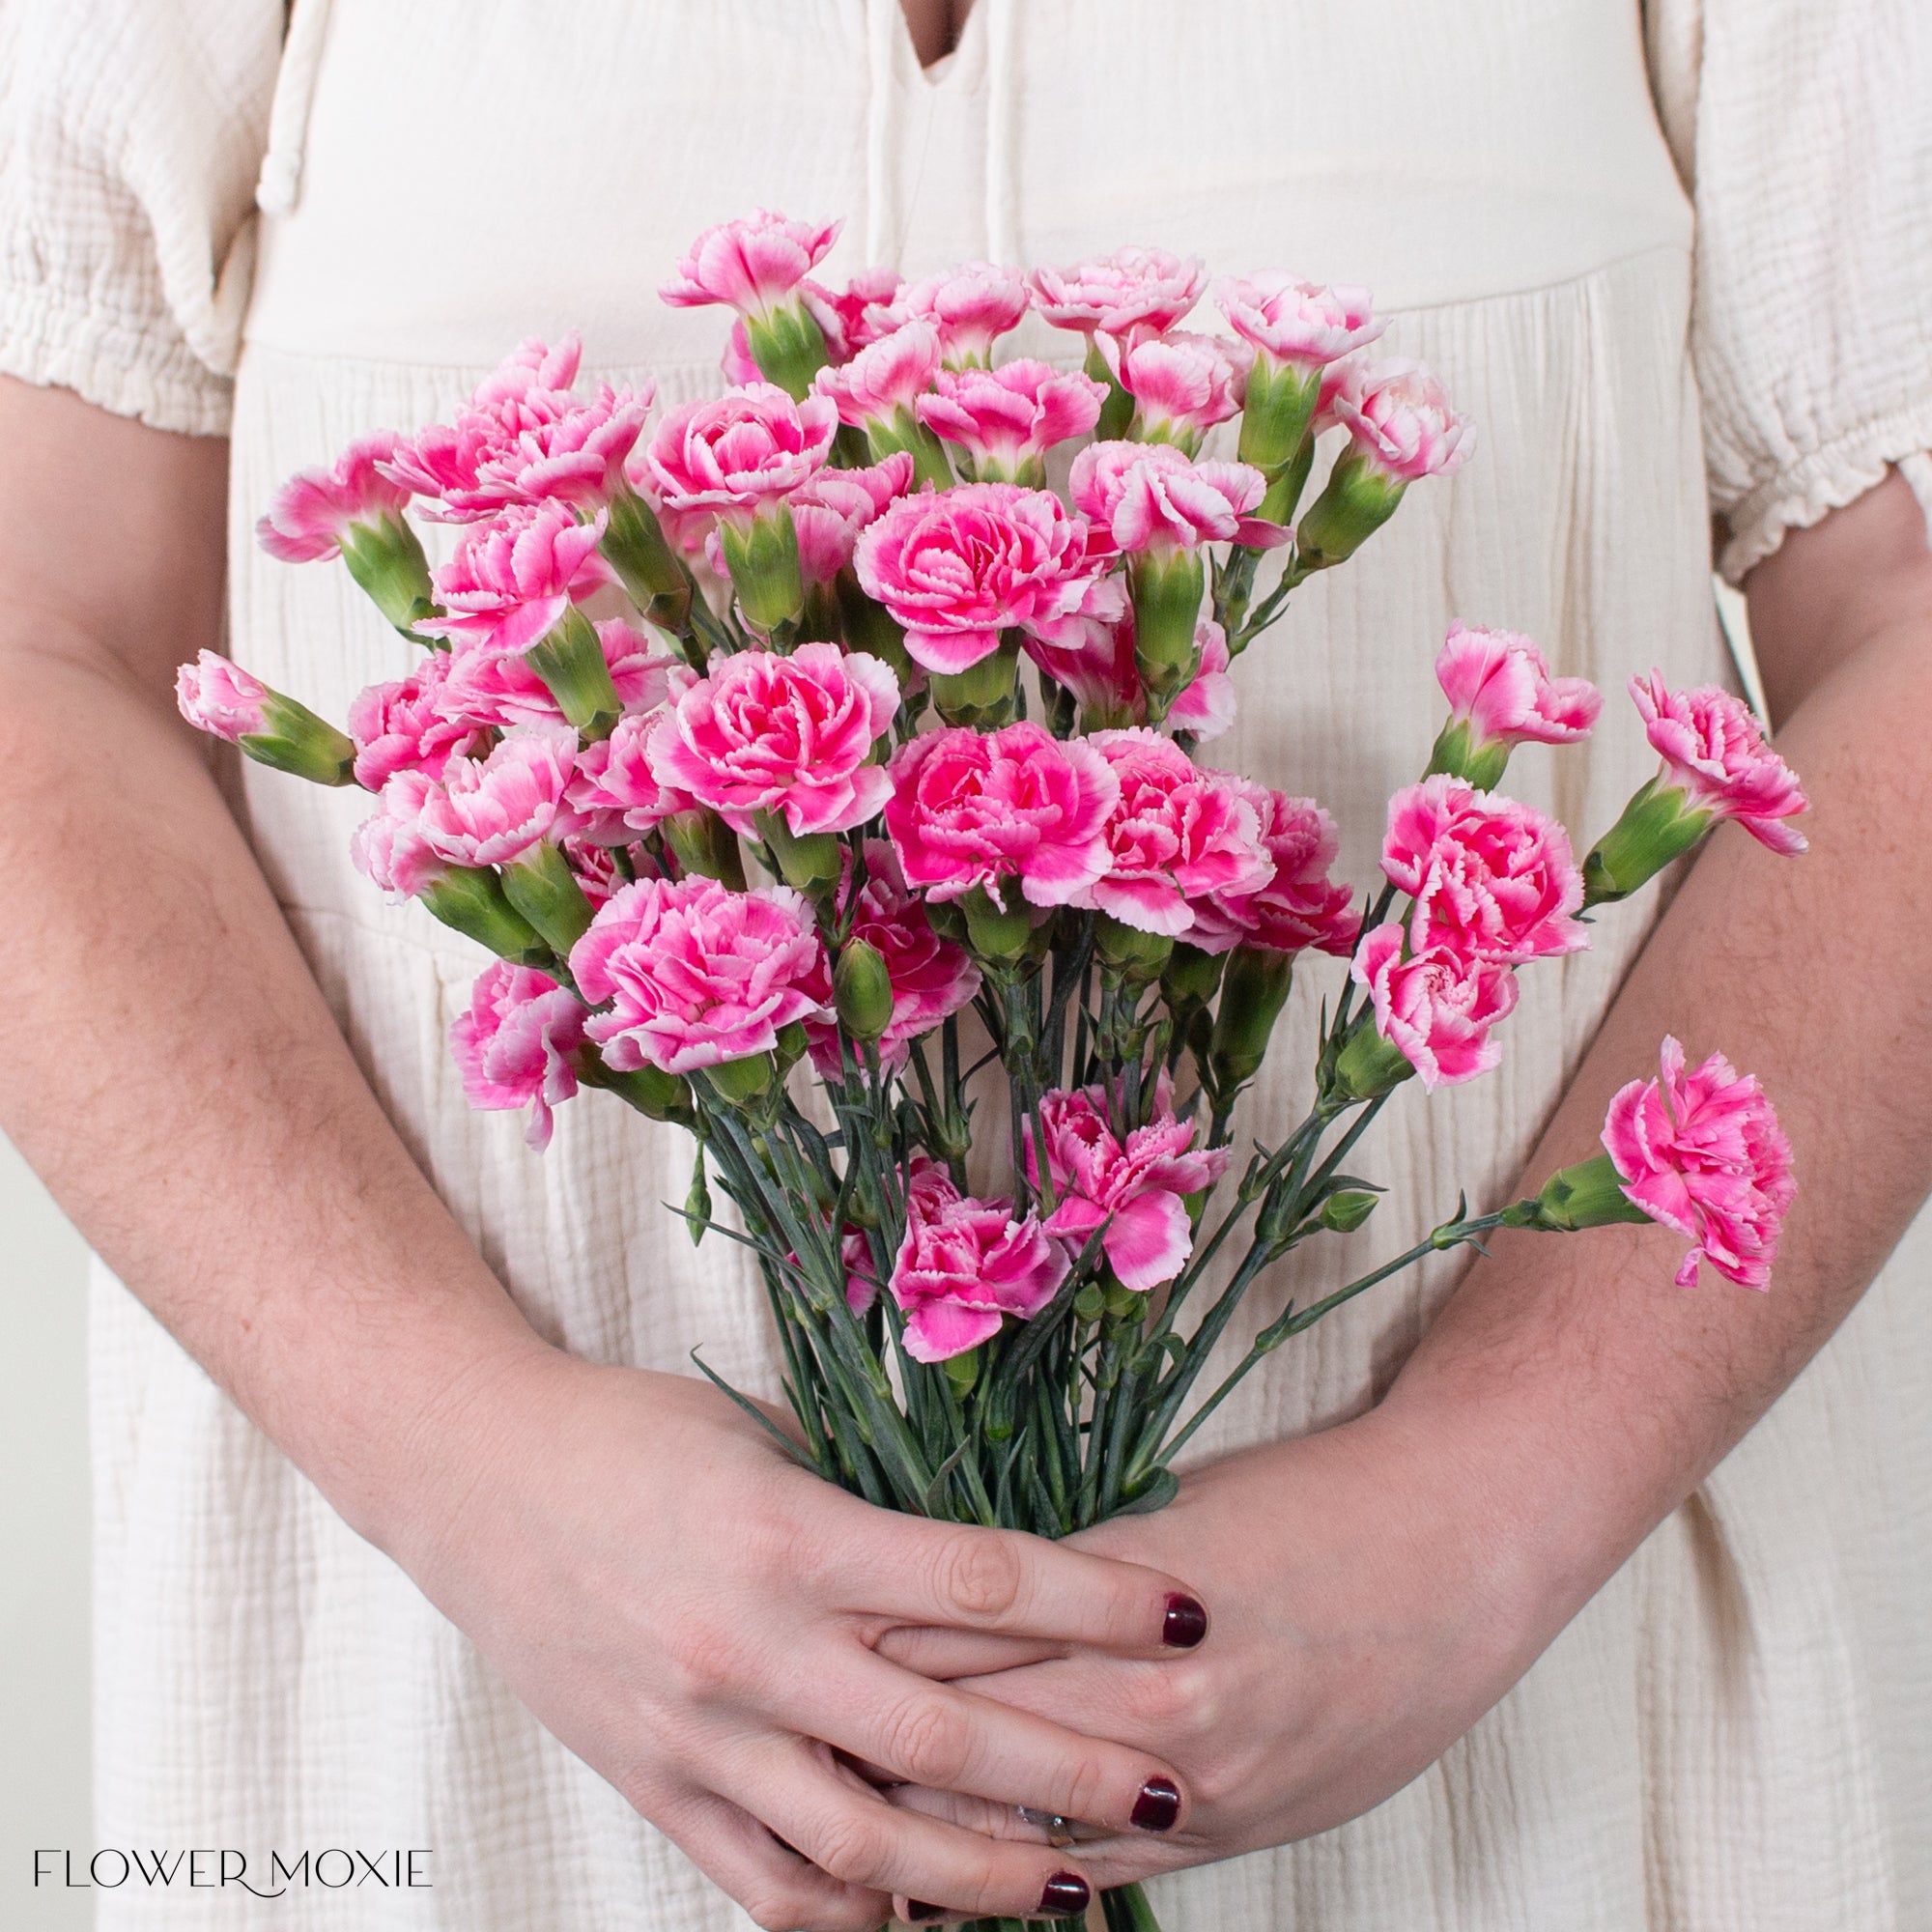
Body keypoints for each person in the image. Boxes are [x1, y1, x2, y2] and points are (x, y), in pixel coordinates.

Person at [2, 0, 1929, 1926]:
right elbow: (35, 641)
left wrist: (1496, 1498)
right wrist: (459, 1465)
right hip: (489, 1692)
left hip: (1516, 1707)